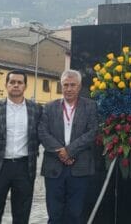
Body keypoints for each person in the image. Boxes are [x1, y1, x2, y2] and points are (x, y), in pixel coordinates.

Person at [0, 70, 42, 224]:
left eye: (19, 82)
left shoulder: (36, 109)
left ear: (25, 86)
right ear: (6, 85)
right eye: (12, 82)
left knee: (22, 213)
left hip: (24, 167)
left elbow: (38, 136)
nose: (16, 85)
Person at [38, 69, 98, 224]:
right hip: (54, 167)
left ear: (79, 87)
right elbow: (42, 132)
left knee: (75, 213)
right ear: (61, 86)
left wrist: (69, 151)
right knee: (54, 213)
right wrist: (61, 152)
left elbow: (92, 132)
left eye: (73, 85)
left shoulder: (90, 106)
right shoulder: (49, 107)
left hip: (80, 167)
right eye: (66, 85)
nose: (69, 89)